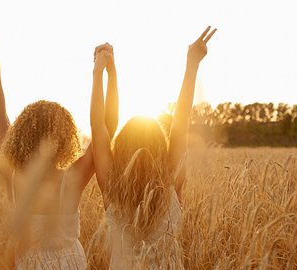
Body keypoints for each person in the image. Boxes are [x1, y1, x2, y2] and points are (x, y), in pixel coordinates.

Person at [0, 35, 117, 269]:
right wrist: (103, 73)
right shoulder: (71, 179)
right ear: (64, 139)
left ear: (21, 136)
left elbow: (0, 118)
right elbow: (106, 127)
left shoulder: (12, 176)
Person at [89, 26, 217, 269]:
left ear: (120, 150)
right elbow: (180, 124)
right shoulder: (172, 181)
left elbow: (98, 126)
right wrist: (192, 64)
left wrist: (101, 72)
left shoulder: (112, 192)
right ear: (161, 146)